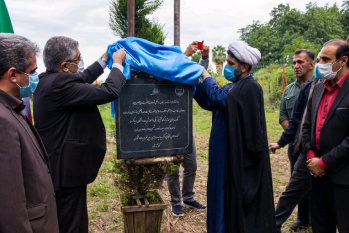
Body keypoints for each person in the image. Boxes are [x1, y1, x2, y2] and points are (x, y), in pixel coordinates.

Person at [33, 36, 126, 233]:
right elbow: (109, 91)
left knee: (70, 219)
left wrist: (104, 59)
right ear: (65, 66)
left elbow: (82, 77)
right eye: (78, 59)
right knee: (71, 225)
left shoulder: (49, 80)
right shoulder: (60, 86)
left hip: (60, 168)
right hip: (65, 172)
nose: (81, 62)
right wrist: (117, 65)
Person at [194, 41, 275, 233]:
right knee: (219, 196)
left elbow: (220, 99)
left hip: (237, 158)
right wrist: (197, 78)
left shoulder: (250, 87)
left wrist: (205, 75)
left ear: (244, 67)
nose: (226, 67)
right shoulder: (234, 86)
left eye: (231, 64)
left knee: (229, 200)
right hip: (222, 154)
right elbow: (210, 102)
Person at [0, 33, 59, 232]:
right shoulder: (2, 121)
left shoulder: (11, 108)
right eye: (32, 72)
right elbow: (9, 203)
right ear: (13, 75)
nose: (35, 78)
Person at [302, 39, 349, 233]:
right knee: (320, 226)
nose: (320, 64)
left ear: (343, 60)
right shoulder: (318, 87)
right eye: (319, 58)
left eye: (325, 59)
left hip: (343, 177)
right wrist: (312, 157)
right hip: (317, 176)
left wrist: (324, 162)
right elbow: (306, 127)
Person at [269, 49, 315, 231]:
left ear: (312, 64)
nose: (296, 66)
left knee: (313, 187)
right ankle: (302, 220)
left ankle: (313, 219)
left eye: (300, 62)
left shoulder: (321, 85)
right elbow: (287, 117)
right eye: (294, 63)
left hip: (319, 147)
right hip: (297, 146)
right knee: (296, 185)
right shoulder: (292, 90)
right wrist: (287, 139)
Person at [166, 41, 208, 217]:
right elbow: (172, 72)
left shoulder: (185, 77)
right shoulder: (166, 75)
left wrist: (204, 58)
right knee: (172, 168)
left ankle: (188, 197)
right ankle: (175, 202)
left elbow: (196, 73)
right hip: (167, 129)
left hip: (185, 128)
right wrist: (186, 54)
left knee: (191, 165)